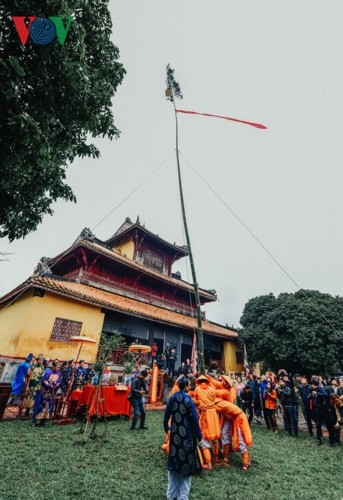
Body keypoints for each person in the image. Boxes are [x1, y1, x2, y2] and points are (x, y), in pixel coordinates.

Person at [163, 377, 202, 500]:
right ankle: (182, 497)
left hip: (175, 435)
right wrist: (199, 435)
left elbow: (167, 414)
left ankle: (171, 495)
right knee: (185, 464)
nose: (190, 387)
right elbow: (194, 420)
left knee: (174, 463)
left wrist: (166, 427)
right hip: (186, 436)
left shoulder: (173, 397)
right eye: (189, 385)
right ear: (185, 386)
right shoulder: (188, 399)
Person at [32, 361, 62, 426]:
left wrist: (56, 385)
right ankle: (34, 421)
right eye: (57, 367)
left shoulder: (59, 374)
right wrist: (49, 385)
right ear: (53, 367)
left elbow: (59, 382)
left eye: (58, 367)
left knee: (48, 406)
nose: (58, 368)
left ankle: (43, 421)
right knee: (40, 405)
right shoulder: (48, 372)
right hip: (44, 392)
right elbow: (43, 380)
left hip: (51, 393)